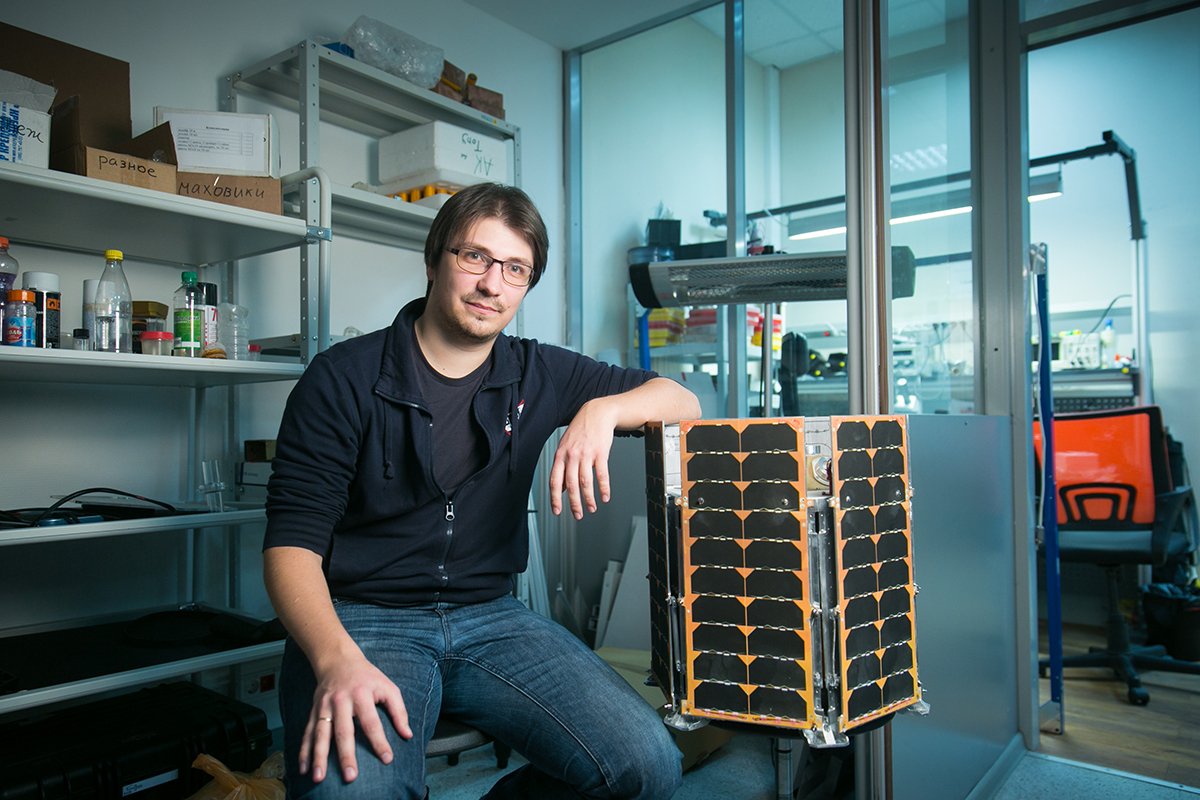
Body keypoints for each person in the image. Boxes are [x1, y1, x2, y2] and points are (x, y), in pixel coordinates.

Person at [264, 182, 700, 800]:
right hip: (362, 618)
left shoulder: (537, 371)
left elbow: (683, 401)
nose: (492, 284)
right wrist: (335, 659)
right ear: (434, 260)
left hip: (490, 616)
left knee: (646, 766)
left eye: (515, 269)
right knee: (354, 792)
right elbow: (290, 546)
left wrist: (601, 411)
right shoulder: (342, 378)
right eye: (475, 257)